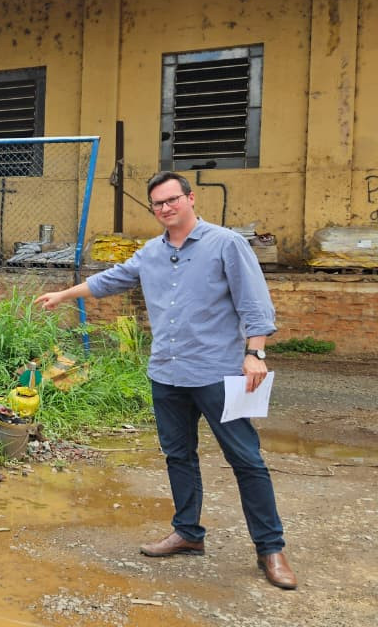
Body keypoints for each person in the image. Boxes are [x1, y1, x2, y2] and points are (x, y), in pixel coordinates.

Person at [34, 171, 296, 590]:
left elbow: (254, 302)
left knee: (246, 459)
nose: (166, 208)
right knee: (178, 456)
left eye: (173, 199)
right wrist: (64, 295)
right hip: (167, 374)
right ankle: (188, 534)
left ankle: (270, 548)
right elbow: (111, 279)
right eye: (158, 204)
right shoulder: (150, 253)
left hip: (217, 372)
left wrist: (255, 352)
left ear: (190, 199)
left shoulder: (226, 244)